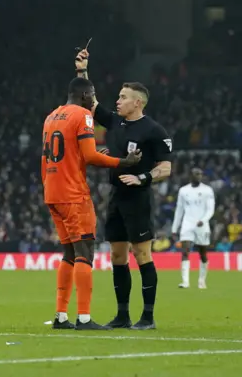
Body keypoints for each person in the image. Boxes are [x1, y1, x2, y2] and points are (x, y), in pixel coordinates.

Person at [77, 50, 173, 330]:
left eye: (122, 97)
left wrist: (142, 177)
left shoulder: (154, 130)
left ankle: (148, 317)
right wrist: (82, 70)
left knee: (143, 255)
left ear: (137, 102)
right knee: (117, 255)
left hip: (138, 198)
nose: (117, 101)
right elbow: (89, 102)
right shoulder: (116, 122)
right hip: (116, 196)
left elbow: (165, 168)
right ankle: (122, 316)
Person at [42, 77, 141, 331]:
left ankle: (61, 316)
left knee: (68, 254)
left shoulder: (51, 116)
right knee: (85, 252)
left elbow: (64, 156)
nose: (93, 99)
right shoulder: (83, 116)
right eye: (92, 94)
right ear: (85, 94)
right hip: (74, 194)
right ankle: (84, 318)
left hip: (52, 191)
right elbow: (90, 156)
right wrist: (124, 162)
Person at [172, 167, 215, 289]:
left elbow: (210, 209)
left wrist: (204, 220)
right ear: (190, 176)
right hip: (187, 224)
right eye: (196, 174)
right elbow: (179, 210)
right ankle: (185, 282)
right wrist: (175, 228)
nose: (199, 176)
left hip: (202, 224)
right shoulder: (183, 190)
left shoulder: (207, 190)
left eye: (200, 174)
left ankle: (201, 280)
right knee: (185, 251)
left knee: (203, 254)